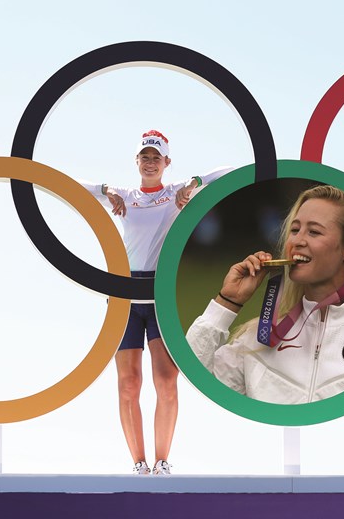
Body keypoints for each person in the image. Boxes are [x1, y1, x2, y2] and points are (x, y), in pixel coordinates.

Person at [82, 130, 232, 475]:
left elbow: (230, 172)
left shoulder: (176, 192)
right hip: (124, 293)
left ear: (167, 163)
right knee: (129, 383)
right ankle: (139, 463)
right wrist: (105, 190)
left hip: (161, 293)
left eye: (156, 157)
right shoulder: (123, 195)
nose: (150, 163)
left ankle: (163, 461)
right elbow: (65, 184)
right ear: (136, 161)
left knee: (166, 379)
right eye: (144, 157)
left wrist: (193, 183)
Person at [186, 184, 344, 404]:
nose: (297, 241)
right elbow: (188, 389)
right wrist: (227, 302)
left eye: (314, 232)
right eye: (295, 230)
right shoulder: (257, 340)